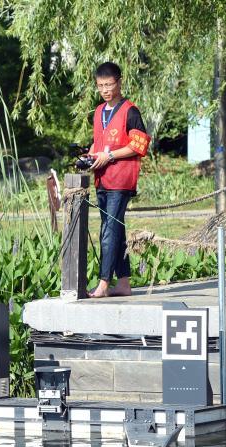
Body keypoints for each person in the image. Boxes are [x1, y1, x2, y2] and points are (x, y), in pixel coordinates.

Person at [86, 62, 151, 298]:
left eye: (109, 84)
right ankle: (123, 283)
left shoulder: (130, 111)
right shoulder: (97, 112)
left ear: (119, 82)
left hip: (121, 180)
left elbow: (139, 144)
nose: (105, 89)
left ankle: (103, 284)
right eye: (100, 85)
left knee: (108, 230)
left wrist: (110, 155)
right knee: (116, 230)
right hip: (101, 179)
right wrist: (90, 155)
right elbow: (99, 143)